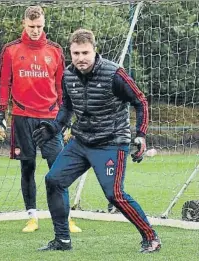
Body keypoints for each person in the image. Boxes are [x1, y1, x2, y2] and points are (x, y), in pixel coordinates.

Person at [33, 28, 161, 253]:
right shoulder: (68, 75)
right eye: (75, 53)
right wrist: (53, 127)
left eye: (85, 53)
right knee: (54, 180)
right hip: (81, 141)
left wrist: (140, 135)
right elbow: (67, 107)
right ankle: (62, 240)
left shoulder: (115, 74)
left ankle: (151, 238)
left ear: (94, 51)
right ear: (70, 53)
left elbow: (140, 101)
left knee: (115, 194)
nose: (80, 58)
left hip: (112, 142)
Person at [0, 5, 81, 233]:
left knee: (58, 169)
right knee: (27, 167)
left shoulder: (55, 50)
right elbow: (4, 84)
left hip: (51, 119)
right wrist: (0, 115)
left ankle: (65, 217)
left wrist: (67, 119)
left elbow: (63, 89)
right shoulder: (11, 50)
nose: (35, 30)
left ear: (44, 24)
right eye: (31, 26)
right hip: (22, 118)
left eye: (39, 26)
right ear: (24, 23)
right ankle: (32, 216)